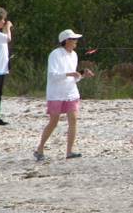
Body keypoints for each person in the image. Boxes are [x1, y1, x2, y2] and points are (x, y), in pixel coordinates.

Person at [34, 29, 95, 161]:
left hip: (71, 92)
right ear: (66, 41)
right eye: (74, 39)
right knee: (53, 122)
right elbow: (52, 76)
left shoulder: (74, 55)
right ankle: (40, 149)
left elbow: (74, 77)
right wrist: (70, 74)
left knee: (73, 120)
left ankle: (69, 151)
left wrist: (82, 74)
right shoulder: (55, 54)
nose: (76, 42)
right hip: (56, 94)